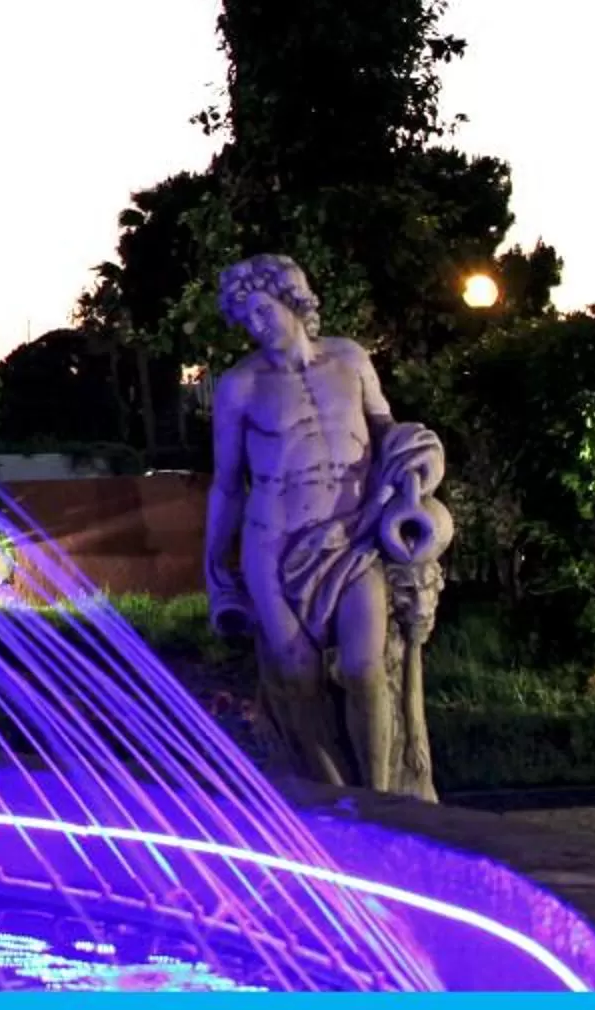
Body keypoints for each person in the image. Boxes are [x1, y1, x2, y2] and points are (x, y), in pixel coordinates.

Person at [201, 255, 444, 800]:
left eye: (261, 310)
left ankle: (380, 797)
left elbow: (386, 429)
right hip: (274, 547)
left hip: (351, 540)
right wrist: (214, 562)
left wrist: (416, 458)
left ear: (291, 298)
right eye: (244, 318)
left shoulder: (350, 359)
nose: (255, 325)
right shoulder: (240, 387)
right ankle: (328, 798)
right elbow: (226, 484)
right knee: (297, 678)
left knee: (363, 669)